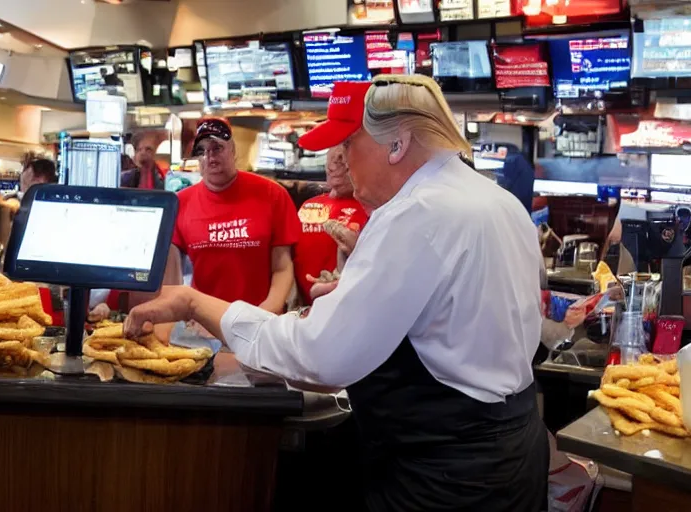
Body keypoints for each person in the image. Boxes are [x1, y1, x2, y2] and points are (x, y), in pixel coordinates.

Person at [125, 78, 548, 510]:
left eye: (349, 145)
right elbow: (464, 319)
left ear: (397, 144)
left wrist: (198, 303)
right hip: (514, 457)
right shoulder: (498, 201)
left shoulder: (413, 212)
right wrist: (357, 295)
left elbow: (321, 359)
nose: (341, 163)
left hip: (447, 477)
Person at [164, 117, 299, 316]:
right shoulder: (179, 204)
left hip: (261, 319)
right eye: (202, 151)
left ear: (233, 150)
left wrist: (266, 314)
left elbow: (282, 268)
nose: (209, 157)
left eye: (216, 148)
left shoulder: (272, 194)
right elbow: (171, 280)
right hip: (204, 323)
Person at [293, 145, 369, 304]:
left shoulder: (373, 208)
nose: (335, 161)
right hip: (303, 311)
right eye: (331, 152)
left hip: (348, 304)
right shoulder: (308, 204)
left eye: (344, 151)